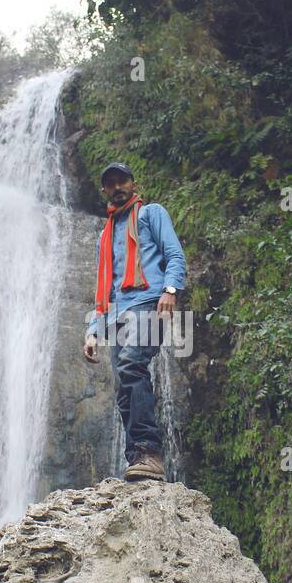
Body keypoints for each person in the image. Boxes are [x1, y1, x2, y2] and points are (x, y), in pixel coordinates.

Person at [83, 162, 187, 481]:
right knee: (124, 388)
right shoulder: (107, 233)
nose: (117, 187)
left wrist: (170, 290)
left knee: (132, 366)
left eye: (122, 181)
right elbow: (107, 286)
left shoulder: (151, 213)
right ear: (105, 190)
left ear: (132, 182)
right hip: (116, 315)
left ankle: (148, 451)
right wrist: (93, 332)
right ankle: (137, 459)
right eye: (111, 183)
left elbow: (175, 255)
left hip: (147, 301)